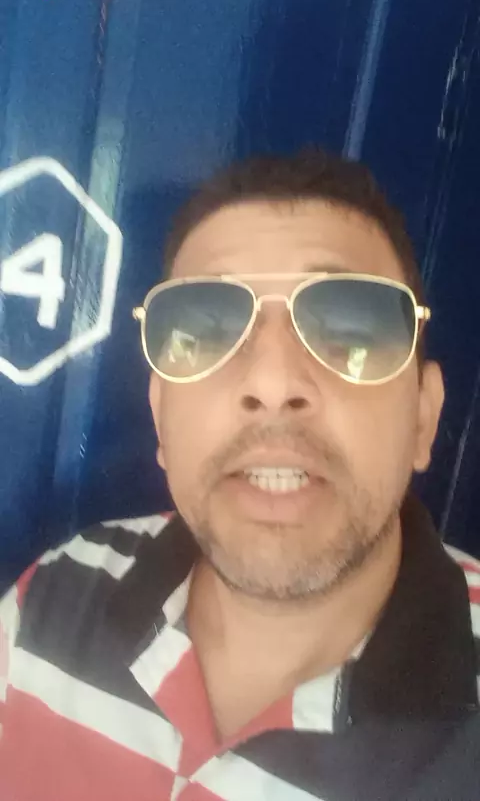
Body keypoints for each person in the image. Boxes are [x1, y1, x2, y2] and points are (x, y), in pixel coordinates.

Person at [0, 148, 479, 801]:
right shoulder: (53, 598)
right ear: (161, 417)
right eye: (206, 331)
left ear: (423, 419)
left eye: (351, 332)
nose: (273, 384)